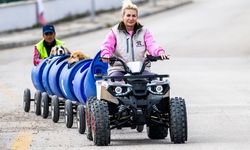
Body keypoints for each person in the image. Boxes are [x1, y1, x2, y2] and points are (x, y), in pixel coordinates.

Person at [100, 0, 170, 76]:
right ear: (123, 16)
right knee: (114, 83)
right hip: (119, 69)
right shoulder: (114, 32)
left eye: (134, 16)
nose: (131, 18)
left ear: (137, 17)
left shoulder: (144, 31)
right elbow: (107, 46)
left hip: (141, 69)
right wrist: (106, 54)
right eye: (128, 15)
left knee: (157, 84)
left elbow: (152, 45)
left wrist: (160, 52)